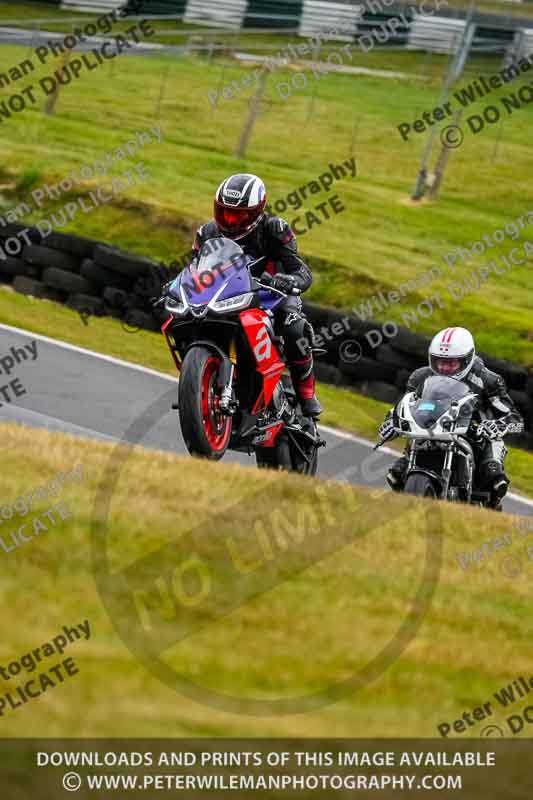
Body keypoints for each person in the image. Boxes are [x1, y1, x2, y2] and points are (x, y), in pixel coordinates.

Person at [188, 173, 321, 417]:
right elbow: (193, 271)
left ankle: (306, 392)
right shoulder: (207, 232)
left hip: (272, 294)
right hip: (227, 294)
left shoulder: (274, 229)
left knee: (294, 327)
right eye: (224, 212)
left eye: (239, 215)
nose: (230, 220)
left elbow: (301, 271)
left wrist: (288, 281)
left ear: (257, 211)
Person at [379, 327, 523, 509]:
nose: (443, 368)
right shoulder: (420, 377)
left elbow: (515, 419)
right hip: (431, 430)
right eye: (439, 362)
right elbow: (405, 405)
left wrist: (498, 426)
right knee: (396, 474)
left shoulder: (488, 380)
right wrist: (391, 421)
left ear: (466, 360)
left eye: (451, 363)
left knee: (494, 479)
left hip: (475, 434)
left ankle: (492, 508)